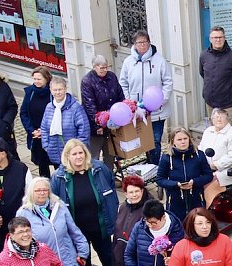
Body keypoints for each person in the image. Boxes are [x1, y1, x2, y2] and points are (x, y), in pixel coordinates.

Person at [51, 138, 130, 266]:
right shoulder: (59, 177)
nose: (78, 157)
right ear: (67, 156)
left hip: (100, 226)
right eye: (74, 154)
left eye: (81, 153)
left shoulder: (99, 169)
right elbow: (55, 202)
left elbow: (110, 189)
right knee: (84, 263)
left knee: (109, 259)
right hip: (77, 231)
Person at [16, 176, 89, 266]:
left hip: (62, 260)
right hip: (41, 264)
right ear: (31, 192)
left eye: (45, 190)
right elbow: (19, 241)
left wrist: (83, 252)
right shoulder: (23, 213)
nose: (42, 193)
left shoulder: (59, 206)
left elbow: (74, 230)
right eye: (38, 190)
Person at [119, 29, 173, 166]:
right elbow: (123, 83)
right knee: (140, 140)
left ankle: (154, 166)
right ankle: (146, 166)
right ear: (134, 44)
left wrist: (161, 101)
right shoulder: (128, 62)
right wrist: (129, 101)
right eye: (139, 42)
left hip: (157, 111)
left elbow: (168, 82)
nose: (142, 45)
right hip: (137, 110)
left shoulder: (160, 61)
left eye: (145, 42)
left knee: (155, 140)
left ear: (149, 43)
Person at [156, 127, 213, 222]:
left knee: (196, 223)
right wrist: (176, 184)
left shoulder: (199, 155)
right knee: (177, 225)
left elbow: (208, 175)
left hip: (196, 198)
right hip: (175, 200)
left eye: (185, 138)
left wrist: (195, 182)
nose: (183, 142)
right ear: (173, 141)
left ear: (189, 139)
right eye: (179, 139)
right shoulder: (166, 158)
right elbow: (160, 179)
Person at [80, 54, 124, 169]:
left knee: (110, 154)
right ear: (94, 67)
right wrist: (97, 125)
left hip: (112, 124)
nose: (104, 70)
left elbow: (120, 95)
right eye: (101, 68)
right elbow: (89, 106)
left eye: (106, 67)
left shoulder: (112, 76)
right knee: (94, 155)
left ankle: (109, 175)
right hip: (96, 127)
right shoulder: (87, 81)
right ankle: (95, 176)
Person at [199, 26, 232, 126]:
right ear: (210, 39)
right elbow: (202, 73)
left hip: (228, 105)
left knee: (230, 133)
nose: (218, 40)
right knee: (214, 132)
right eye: (215, 37)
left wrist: (229, 90)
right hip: (210, 104)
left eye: (220, 37)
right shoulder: (204, 55)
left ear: (224, 38)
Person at [112, 175, 152, 266]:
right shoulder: (124, 207)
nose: (134, 195)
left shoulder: (149, 209)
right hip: (123, 252)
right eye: (131, 192)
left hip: (141, 256)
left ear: (142, 191)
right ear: (125, 194)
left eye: (137, 191)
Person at [198, 107, 232, 207]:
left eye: (222, 117)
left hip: (226, 170)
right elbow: (200, 149)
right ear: (212, 119)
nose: (219, 119)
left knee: (207, 187)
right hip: (207, 168)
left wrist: (215, 165)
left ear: (227, 119)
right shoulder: (208, 131)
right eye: (216, 117)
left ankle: (205, 211)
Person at [40, 76, 90, 167]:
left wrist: (77, 150)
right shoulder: (49, 107)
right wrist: (46, 146)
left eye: (60, 89)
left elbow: (84, 131)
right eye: (55, 90)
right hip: (54, 152)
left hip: (73, 155)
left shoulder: (76, 108)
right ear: (50, 90)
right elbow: (44, 128)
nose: (57, 92)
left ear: (65, 89)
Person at [19, 66, 54, 176]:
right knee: (42, 165)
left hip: (51, 134)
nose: (36, 81)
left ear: (46, 78)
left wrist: (45, 131)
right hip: (36, 135)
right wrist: (31, 131)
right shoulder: (30, 93)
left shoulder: (53, 92)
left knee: (57, 162)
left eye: (39, 79)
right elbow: (24, 113)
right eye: (34, 79)